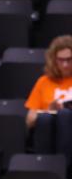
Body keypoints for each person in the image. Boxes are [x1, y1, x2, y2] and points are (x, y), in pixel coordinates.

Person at [26, 35, 72, 169]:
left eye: (69, 60)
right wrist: (50, 110)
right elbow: (30, 120)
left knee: (65, 114)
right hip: (49, 129)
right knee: (45, 118)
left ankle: (65, 169)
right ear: (54, 60)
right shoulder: (44, 82)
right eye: (61, 60)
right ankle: (45, 168)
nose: (65, 64)